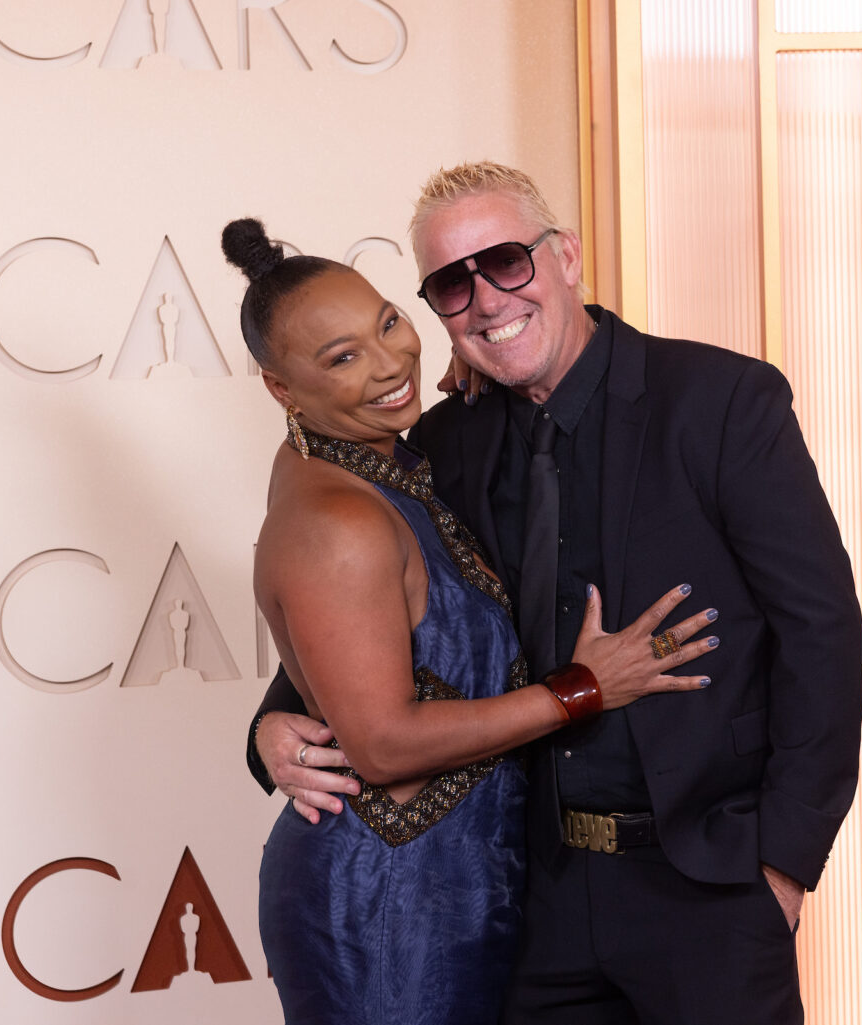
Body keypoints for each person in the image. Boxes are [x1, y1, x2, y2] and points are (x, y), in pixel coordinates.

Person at [250, 161, 862, 1024]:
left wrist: (784, 863)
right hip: (533, 897)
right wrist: (270, 724)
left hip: (707, 889)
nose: (487, 301)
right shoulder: (445, 440)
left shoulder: (720, 401)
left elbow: (822, 630)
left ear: (566, 256)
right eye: (450, 287)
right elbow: (369, 617)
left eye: (505, 261)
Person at [222, 216, 717, 1025]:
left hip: (456, 888)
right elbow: (380, 742)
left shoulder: (376, 456)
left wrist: (481, 364)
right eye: (342, 357)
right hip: (385, 908)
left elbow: (353, 651)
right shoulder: (336, 519)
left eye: (388, 323)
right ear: (282, 388)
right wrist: (585, 688)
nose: (389, 363)